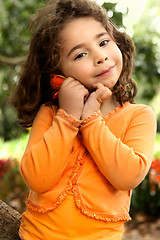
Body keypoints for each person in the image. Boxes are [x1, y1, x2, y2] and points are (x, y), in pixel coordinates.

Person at [11, 0, 157, 239]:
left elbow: (128, 176)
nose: (100, 57)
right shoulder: (51, 113)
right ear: (58, 74)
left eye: (103, 42)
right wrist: (67, 117)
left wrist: (90, 119)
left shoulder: (139, 116)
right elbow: (36, 179)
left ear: (116, 41)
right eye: (80, 54)